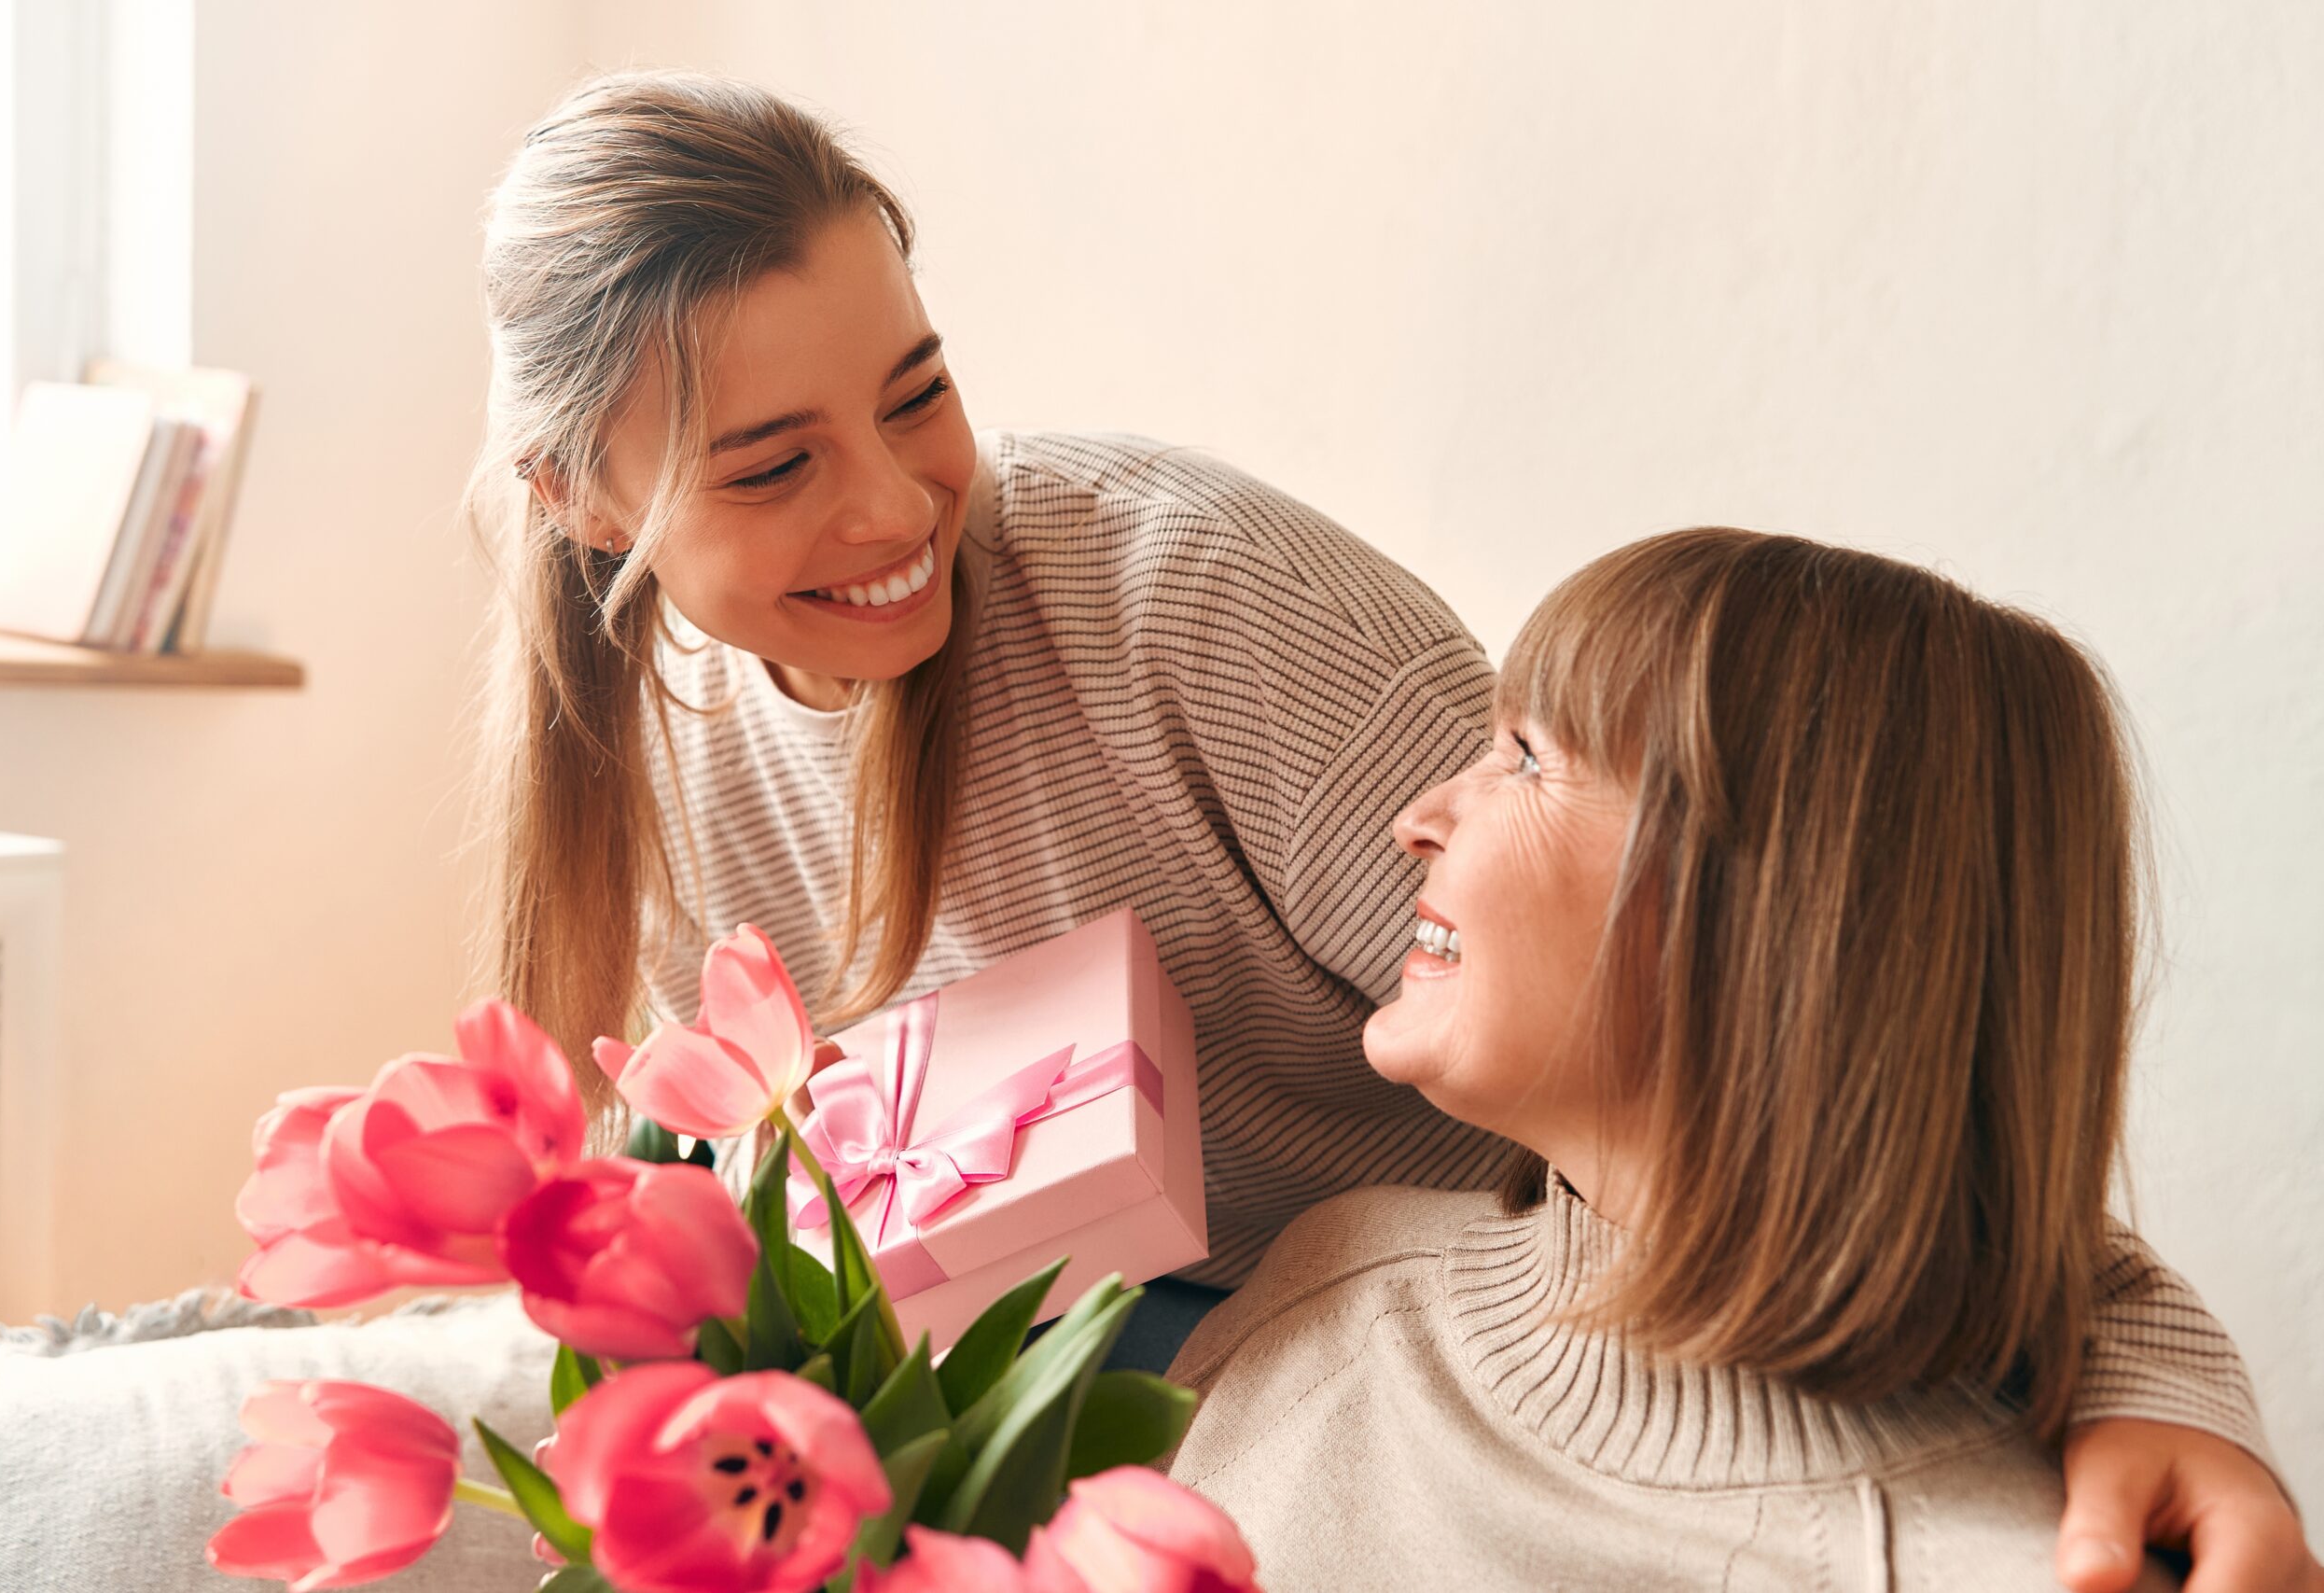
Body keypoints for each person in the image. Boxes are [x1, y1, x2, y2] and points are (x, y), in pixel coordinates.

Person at [465, 71, 2308, 1584]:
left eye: (920, 392)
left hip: (1530, 1337)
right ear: (587, 505)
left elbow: (1763, 999)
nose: (891, 505)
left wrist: (2148, 1363)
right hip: (1208, 1359)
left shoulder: (1181, 601)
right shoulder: (668, 754)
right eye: (773, 463)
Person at [1165, 528, 2317, 1588]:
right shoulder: (1321, 1286)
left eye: (1522, 758)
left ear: (1775, 914)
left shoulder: (2007, 1568)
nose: (1416, 814)